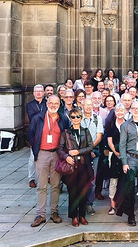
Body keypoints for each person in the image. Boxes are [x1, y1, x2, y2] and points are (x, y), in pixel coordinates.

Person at [29, 95, 70, 227]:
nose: (53, 105)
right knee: (41, 185)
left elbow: (67, 137)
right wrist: (36, 151)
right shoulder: (38, 118)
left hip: (57, 155)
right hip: (42, 154)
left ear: (59, 104)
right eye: (51, 103)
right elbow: (31, 135)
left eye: (56, 103)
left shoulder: (63, 118)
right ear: (47, 103)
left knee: (55, 185)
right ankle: (41, 214)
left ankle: (54, 212)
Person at [57, 108, 94, 226]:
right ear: (70, 118)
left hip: (83, 164)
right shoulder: (66, 132)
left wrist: (79, 151)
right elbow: (59, 148)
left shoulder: (85, 131)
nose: (76, 119)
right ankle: (74, 216)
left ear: (81, 118)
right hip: (71, 165)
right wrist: (66, 156)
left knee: (83, 191)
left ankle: (82, 215)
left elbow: (90, 146)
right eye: (73, 117)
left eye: (78, 117)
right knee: (72, 192)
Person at [106, 103, 126, 216]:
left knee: (124, 180)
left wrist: (123, 153)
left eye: (121, 111)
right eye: (117, 111)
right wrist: (116, 152)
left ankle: (122, 203)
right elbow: (109, 140)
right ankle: (112, 205)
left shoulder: (128, 123)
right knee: (113, 180)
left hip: (126, 155)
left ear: (125, 112)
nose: (119, 113)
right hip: (114, 155)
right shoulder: (111, 124)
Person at [26, 84, 47, 188]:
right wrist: (44, 115)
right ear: (34, 93)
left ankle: (47, 176)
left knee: (47, 156)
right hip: (35, 133)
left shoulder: (47, 104)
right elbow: (32, 117)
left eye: (40, 91)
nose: (38, 93)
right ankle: (32, 178)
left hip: (47, 133)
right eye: (36, 91)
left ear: (43, 93)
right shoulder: (30, 105)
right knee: (33, 157)